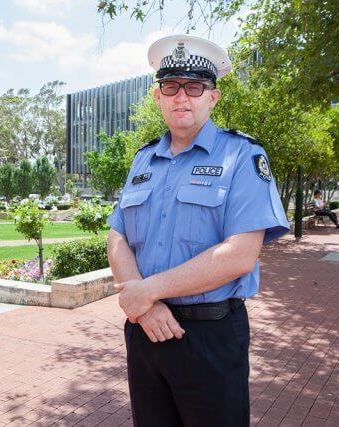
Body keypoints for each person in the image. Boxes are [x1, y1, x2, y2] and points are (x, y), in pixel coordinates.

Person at [106, 34, 291, 426]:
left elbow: (241, 254)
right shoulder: (143, 160)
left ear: (213, 97)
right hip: (145, 332)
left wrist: (148, 291)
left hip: (210, 335)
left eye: (194, 87)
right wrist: (147, 307)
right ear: (157, 97)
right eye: (170, 87)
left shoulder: (242, 155)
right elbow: (117, 235)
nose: (181, 97)